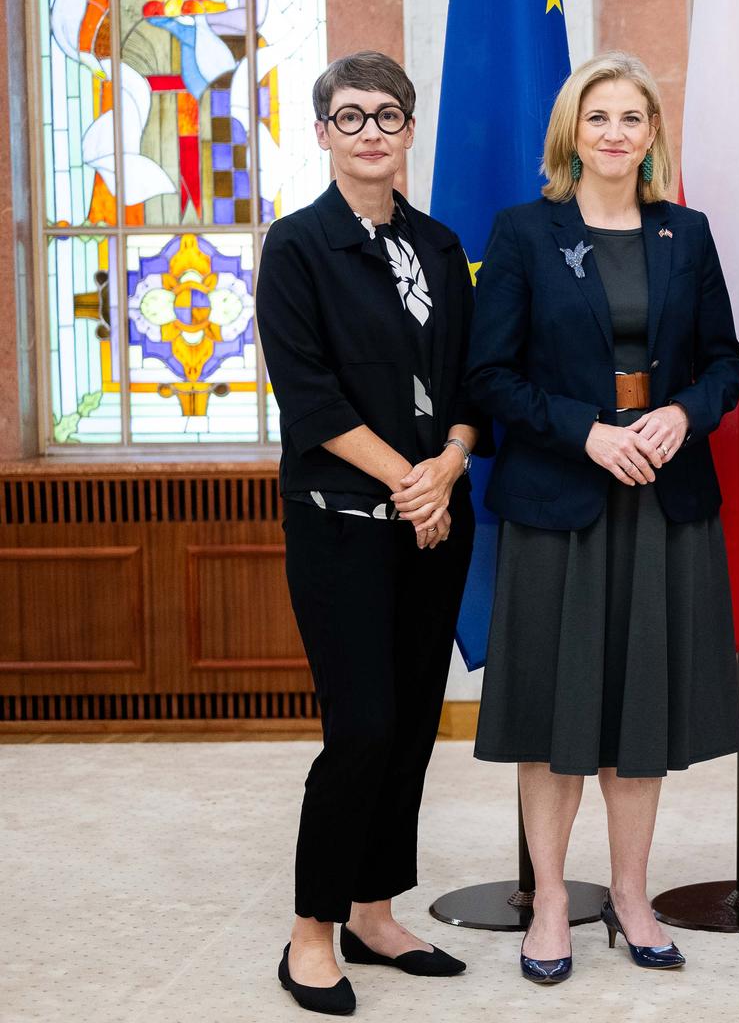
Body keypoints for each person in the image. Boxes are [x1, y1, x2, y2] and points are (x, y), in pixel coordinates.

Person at [468, 52, 739, 984]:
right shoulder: (523, 233)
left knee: (640, 713)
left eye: (633, 118)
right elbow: (490, 377)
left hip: (663, 504)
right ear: (571, 134)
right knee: (554, 714)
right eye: (599, 118)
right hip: (563, 504)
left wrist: (681, 414)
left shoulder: (688, 233)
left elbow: (726, 366)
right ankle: (551, 899)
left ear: (652, 135)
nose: (616, 133)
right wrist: (586, 434)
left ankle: (632, 894)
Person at [259, 51, 482, 1015]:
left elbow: (470, 383)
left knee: (411, 731)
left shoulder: (437, 244)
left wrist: (449, 466)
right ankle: (312, 930)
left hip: (434, 524)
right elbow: (309, 399)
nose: (371, 134)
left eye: (388, 116)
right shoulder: (297, 247)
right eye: (350, 118)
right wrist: (408, 479)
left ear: (409, 129)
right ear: (321, 134)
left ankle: (374, 910)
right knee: (360, 729)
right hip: (343, 526)